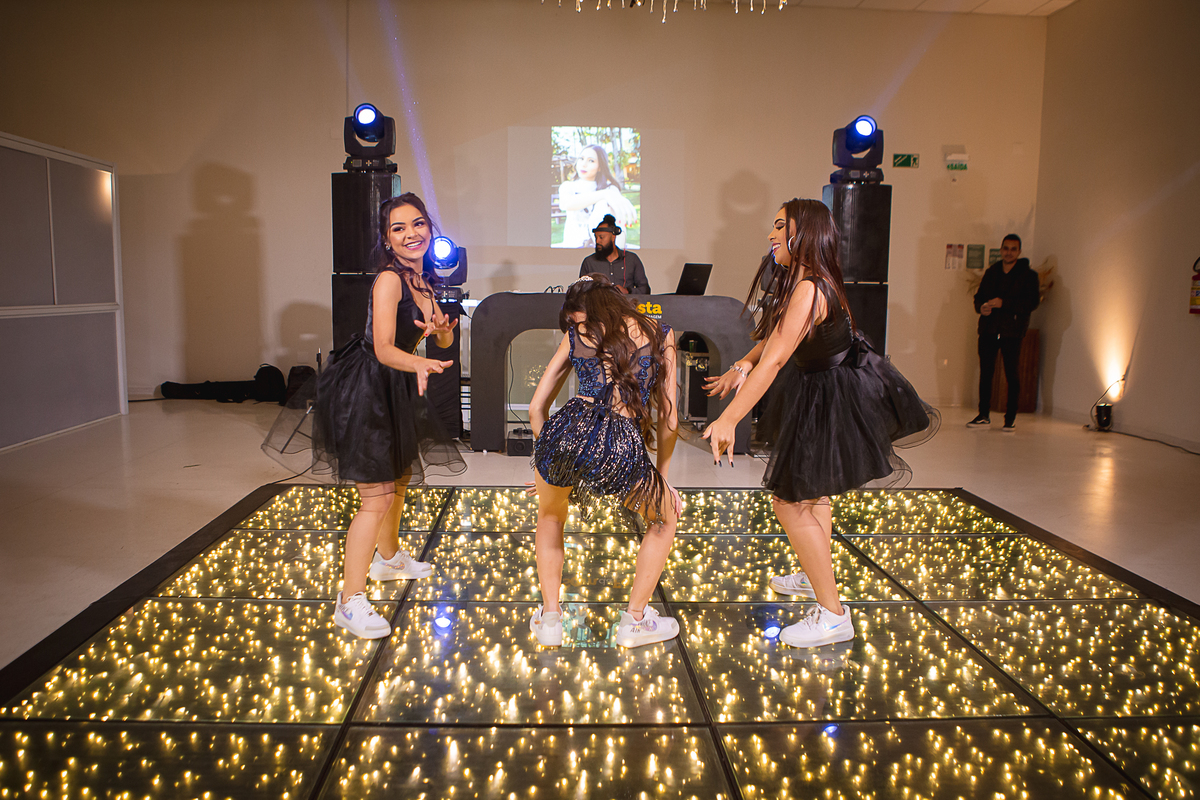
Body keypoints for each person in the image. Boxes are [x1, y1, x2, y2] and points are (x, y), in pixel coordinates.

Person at [702, 198, 937, 648]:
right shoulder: (805, 282)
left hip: (832, 396)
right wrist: (742, 364)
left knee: (789, 503)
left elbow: (776, 360)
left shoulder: (810, 289)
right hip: (821, 388)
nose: (771, 235)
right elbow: (775, 337)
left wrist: (730, 418)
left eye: (779, 227)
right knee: (814, 493)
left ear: (802, 233)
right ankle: (816, 577)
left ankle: (833, 615)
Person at [264, 192, 466, 639]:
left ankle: (388, 559)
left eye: (417, 224)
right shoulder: (390, 281)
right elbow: (384, 348)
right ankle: (349, 600)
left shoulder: (424, 282)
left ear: (430, 228)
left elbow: (443, 341)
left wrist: (442, 332)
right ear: (386, 240)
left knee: (400, 478)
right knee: (375, 498)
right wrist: (419, 363)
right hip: (367, 388)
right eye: (398, 228)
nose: (411, 234)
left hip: (394, 386)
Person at [527, 273, 680, 648]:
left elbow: (536, 408)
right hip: (620, 443)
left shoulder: (577, 335)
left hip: (566, 431)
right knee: (665, 518)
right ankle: (635, 621)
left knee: (550, 516)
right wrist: (660, 477)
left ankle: (550, 619)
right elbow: (669, 419)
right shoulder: (661, 334)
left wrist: (548, 460)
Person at [967, 234, 1040, 432]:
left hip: (1012, 331)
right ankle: (983, 414)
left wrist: (1004, 303)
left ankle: (1010, 418)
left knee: (1011, 373)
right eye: (1006, 248)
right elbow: (979, 297)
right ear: (1001, 250)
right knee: (986, 373)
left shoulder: (1028, 275)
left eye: (1013, 249)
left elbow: (1032, 303)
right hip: (989, 329)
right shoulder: (992, 272)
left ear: (1019, 251)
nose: (1009, 252)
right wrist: (981, 307)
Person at [557, 144, 638, 249]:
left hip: (605, 249)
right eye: (581, 158)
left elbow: (618, 220)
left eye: (591, 161)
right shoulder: (567, 186)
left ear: (600, 167)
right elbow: (566, 204)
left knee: (603, 204)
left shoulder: (610, 189)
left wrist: (606, 197)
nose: (584, 164)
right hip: (574, 248)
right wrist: (604, 194)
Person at [578, 214, 651, 294]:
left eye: (601, 237)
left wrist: (627, 291)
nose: (597, 241)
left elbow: (645, 290)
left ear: (613, 237)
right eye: (596, 238)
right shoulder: (589, 262)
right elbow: (581, 292)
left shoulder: (632, 259)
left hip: (625, 302)